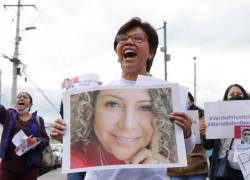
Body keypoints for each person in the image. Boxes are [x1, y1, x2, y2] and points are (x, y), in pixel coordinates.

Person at [51, 17, 195, 180]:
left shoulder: (169, 94)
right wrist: (64, 134)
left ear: (151, 52)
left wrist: (187, 132)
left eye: (138, 38)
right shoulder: (100, 91)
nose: (128, 42)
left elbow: (187, 149)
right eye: (122, 39)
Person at [70, 88, 177, 168]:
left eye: (146, 107)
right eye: (112, 104)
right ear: (91, 109)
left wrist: (164, 171)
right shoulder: (75, 161)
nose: (128, 125)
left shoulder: (169, 158)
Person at [203, 84, 249, 180]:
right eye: (231, 94)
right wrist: (206, 131)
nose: (235, 96)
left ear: (245, 97)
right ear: (226, 98)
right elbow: (208, 145)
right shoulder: (217, 117)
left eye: (239, 94)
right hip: (222, 167)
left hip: (245, 168)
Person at [0, 91, 49, 180]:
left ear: (30, 104)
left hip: (30, 169)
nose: (21, 98)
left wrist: (36, 141)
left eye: (25, 97)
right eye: (19, 97)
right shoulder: (8, 115)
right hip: (7, 167)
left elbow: (46, 139)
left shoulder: (38, 120)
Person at [167, 92, 208, 180]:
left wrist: (206, 130)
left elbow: (208, 143)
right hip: (176, 167)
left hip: (196, 164)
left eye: (186, 98)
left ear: (191, 101)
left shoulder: (202, 116)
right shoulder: (168, 115)